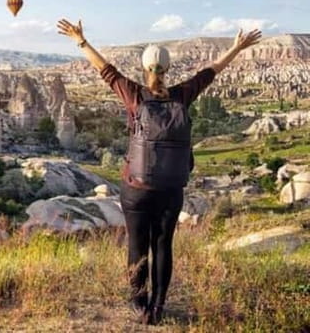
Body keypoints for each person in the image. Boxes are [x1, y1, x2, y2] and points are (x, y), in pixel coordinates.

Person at [56, 18, 261, 325]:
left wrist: (81, 40)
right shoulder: (182, 95)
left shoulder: (135, 95)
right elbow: (211, 72)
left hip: (136, 188)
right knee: (163, 245)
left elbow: (106, 71)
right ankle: (158, 306)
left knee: (137, 246)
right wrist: (235, 47)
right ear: (168, 68)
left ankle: (138, 305)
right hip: (170, 189)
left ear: (144, 68)